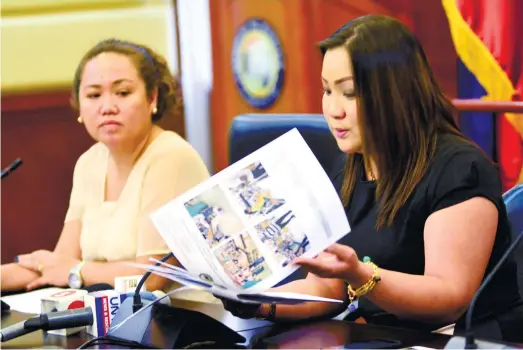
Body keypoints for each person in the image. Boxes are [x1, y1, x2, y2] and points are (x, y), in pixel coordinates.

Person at [220, 15, 523, 342]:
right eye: (327, 90)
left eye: (349, 92)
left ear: (395, 93)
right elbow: (327, 288)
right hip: (385, 335)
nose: (333, 109)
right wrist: (259, 303)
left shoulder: (460, 168)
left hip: (464, 338)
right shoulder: (349, 165)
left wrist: (361, 275)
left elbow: (447, 298)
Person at [1, 39, 210, 293]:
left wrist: (75, 271)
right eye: (94, 95)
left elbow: (152, 278)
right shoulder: (90, 162)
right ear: (79, 105)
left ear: (152, 97)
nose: (107, 107)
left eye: (122, 93)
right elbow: (59, 262)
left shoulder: (172, 157)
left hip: (185, 320)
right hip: (115, 317)